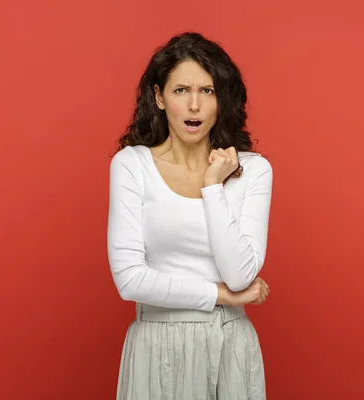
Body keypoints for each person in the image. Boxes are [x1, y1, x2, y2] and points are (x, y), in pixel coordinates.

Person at [107, 31, 273, 400]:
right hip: (157, 343)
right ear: (159, 97)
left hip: (230, 344)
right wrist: (220, 296)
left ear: (221, 100)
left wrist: (213, 186)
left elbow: (240, 273)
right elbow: (130, 280)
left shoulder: (254, 169)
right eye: (181, 90)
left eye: (208, 91)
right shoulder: (132, 165)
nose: (194, 105)